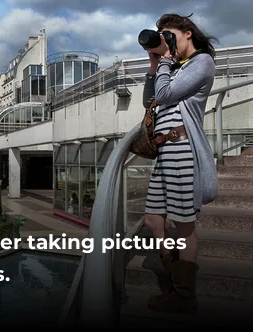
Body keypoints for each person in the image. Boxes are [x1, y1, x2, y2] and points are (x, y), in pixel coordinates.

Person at [142, 13, 218, 313]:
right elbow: (150, 100)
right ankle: (175, 279)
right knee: (152, 219)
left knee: (184, 224)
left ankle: (184, 295)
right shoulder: (172, 66)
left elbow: (165, 94)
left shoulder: (202, 63)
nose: (165, 40)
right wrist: (154, 65)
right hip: (164, 152)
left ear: (187, 34)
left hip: (182, 149)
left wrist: (163, 64)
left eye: (169, 34)